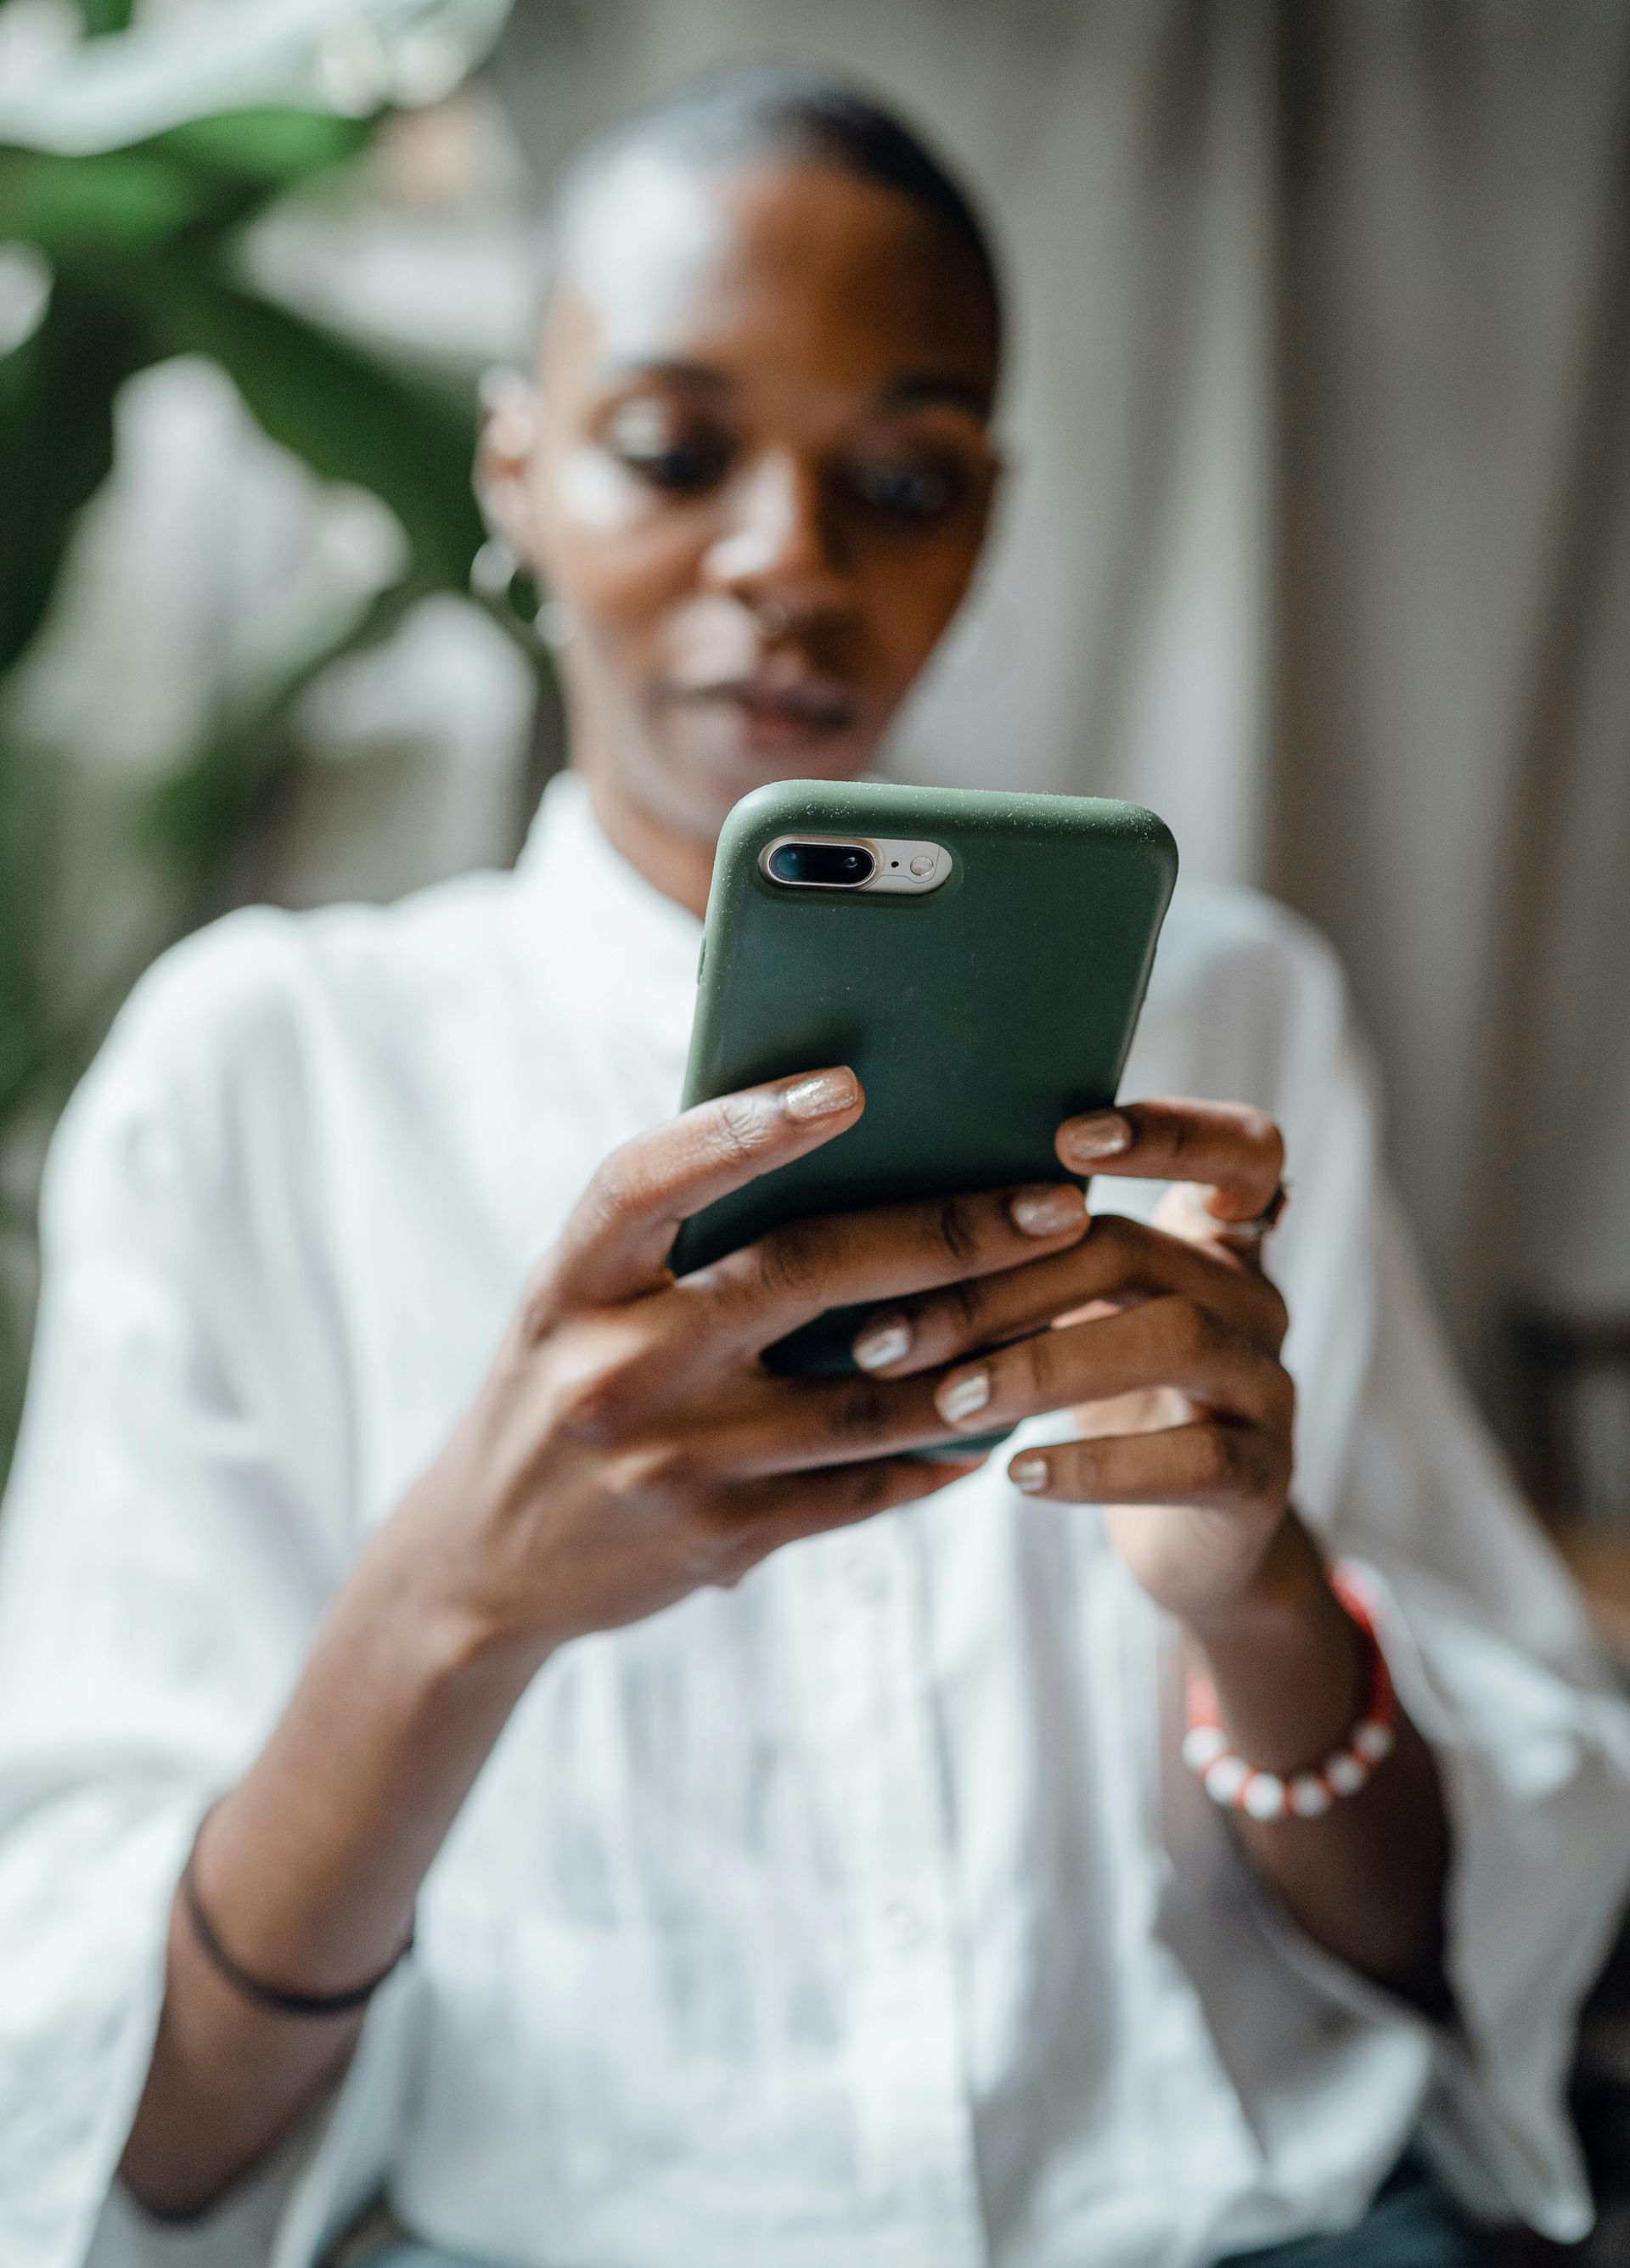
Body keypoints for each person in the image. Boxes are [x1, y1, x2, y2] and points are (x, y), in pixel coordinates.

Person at [1, 64, 1627, 2268]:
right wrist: (451, 1607)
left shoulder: (1226, 1021)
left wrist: (1264, 1603)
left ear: (985, 516)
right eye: (676, 451)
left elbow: (1464, 1949)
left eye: (900, 475)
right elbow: (130, 2141)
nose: (788, 557)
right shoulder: (262, 1079)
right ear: (517, 471)